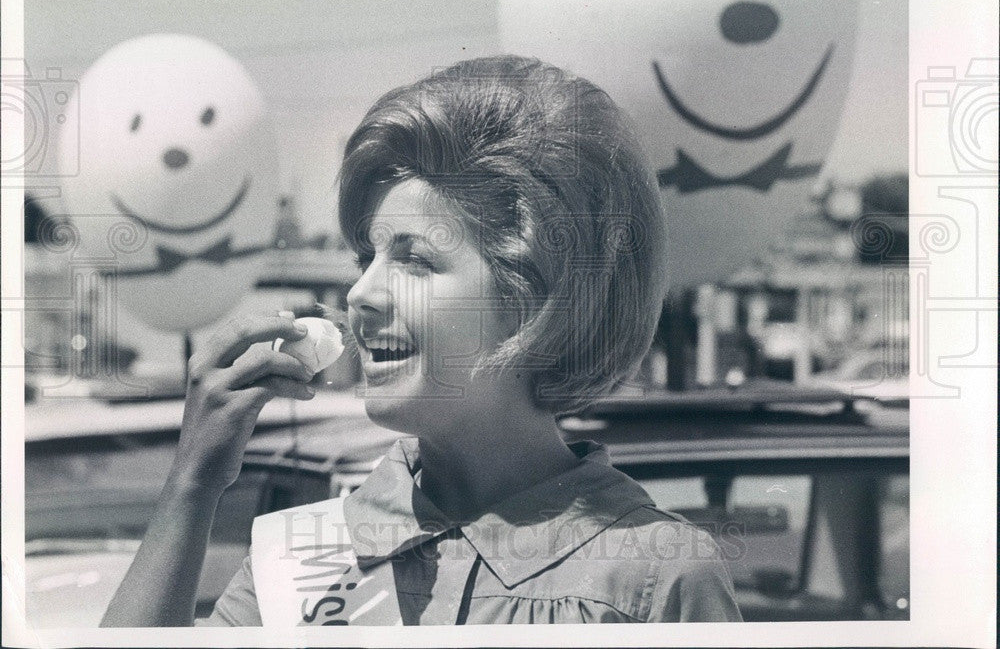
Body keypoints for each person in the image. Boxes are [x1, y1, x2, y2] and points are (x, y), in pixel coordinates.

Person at [101, 56, 741, 627]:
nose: (361, 294)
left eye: (415, 260)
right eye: (365, 257)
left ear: (534, 293)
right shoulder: (312, 556)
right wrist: (194, 483)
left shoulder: (654, 577)